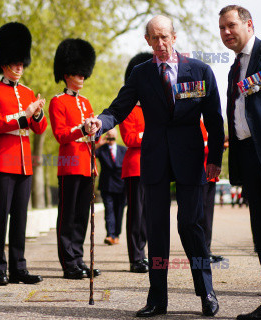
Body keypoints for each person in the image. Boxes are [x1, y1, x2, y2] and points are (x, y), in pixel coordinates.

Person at [84, 15, 224, 317]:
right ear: (147, 41)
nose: (160, 44)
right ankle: (158, 298)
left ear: (174, 37)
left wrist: (214, 158)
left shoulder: (200, 70)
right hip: (155, 159)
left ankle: (207, 291)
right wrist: (99, 122)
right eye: (154, 38)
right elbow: (117, 109)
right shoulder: (140, 74)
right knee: (157, 229)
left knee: (191, 226)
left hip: (189, 159)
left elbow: (214, 119)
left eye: (165, 37)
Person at [219, 5, 261, 319]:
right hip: (249, 159)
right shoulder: (232, 70)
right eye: (222, 28)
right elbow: (236, 116)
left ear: (248, 24)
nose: (226, 33)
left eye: (231, 25)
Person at [0, 22, 46, 286]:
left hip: (24, 163)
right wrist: (24, 115)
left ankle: (19, 267)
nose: (20, 67)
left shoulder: (28, 92)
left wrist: (38, 113)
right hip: (3, 161)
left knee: (21, 217)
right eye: (15, 63)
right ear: (4, 64)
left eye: (22, 63)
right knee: (1, 216)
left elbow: (39, 128)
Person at [49, 38, 101, 280]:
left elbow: (91, 137)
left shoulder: (86, 102)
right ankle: (68, 262)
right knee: (68, 216)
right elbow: (60, 135)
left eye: (84, 74)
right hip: (69, 165)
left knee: (81, 216)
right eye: (78, 74)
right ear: (67, 74)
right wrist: (82, 129)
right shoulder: (57, 102)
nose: (82, 77)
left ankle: (79, 260)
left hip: (86, 164)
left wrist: (95, 135)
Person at [118, 52, 152, 274]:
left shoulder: (153, 106)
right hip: (135, 166)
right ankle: (136, 257)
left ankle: (145, 254)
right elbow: (130, 138)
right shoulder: (129, 108)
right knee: (136, 215)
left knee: (150, 216)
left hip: (154, 166)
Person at [95, 128, 127, 246]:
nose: (110, 138)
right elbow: (90, 152)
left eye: (112, 136)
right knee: (109, 211)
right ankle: (110, 235)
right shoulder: (101, 150)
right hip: (106, 186)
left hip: (122, 186)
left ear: (117, 137)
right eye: (108, 136)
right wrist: (100, 143)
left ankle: (116, 235)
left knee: (119, 212)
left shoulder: (123, 150)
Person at [199, 120, 223, 263]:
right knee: (200, 215)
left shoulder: (204, 121)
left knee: (208, 217)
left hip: (210, 174)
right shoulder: (194, 120)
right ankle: (201, 251)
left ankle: (207, 250)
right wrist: (216, 146)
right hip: (199, 172)